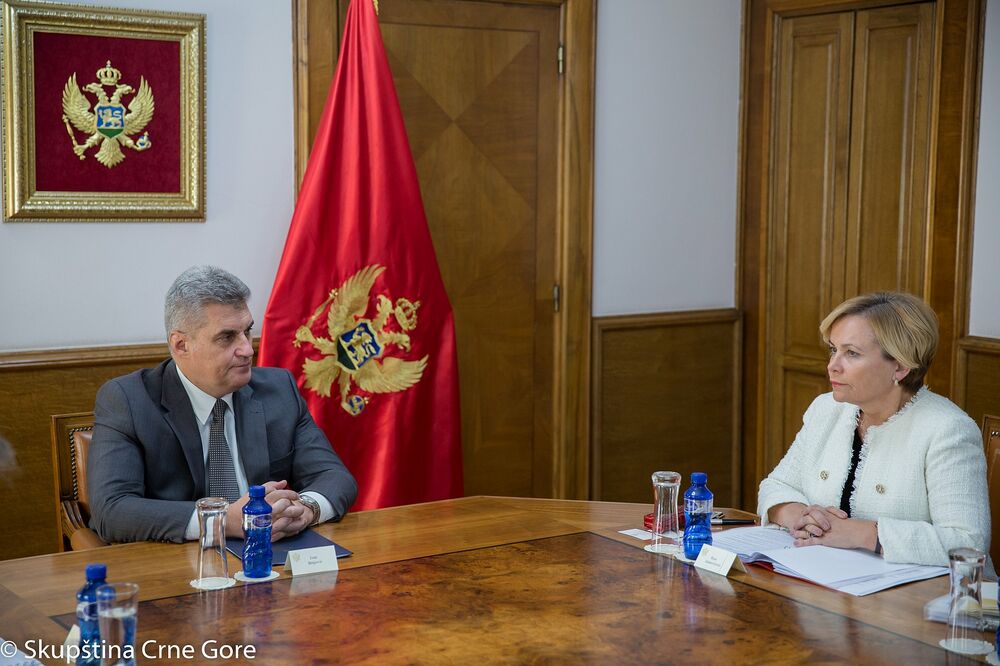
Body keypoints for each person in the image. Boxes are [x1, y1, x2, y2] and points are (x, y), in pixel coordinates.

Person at [88, 266, 358, 544]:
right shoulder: (128, 400)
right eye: (227, 337)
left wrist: (306, 509)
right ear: (181, 345)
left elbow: (334, 476)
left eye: (248, 331)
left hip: (269, 556)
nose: (248, 349)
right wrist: (219, 520)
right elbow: (112, 510)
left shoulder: (279, 390)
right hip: (179, 565)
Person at [758, 292, 990, 566]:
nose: (832, 366)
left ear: (901, 366)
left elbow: (968, 543)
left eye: (852, 353)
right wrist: (798, 515)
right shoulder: (826, 410)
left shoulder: (948, 429)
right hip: (824, 582)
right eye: (834, 349)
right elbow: (777, 485)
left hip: (915, 601)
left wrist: (861, 533)